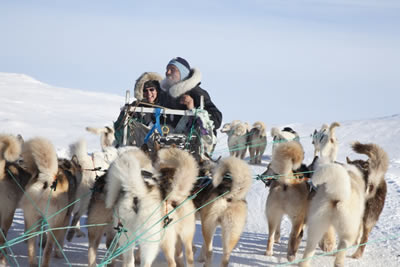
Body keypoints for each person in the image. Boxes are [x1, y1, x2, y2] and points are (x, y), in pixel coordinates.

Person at [160, 57, 222, 135]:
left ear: (183, 73)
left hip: (193, 142)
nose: (168, 72)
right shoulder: (165, 94)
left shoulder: (196, 92)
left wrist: (192, 109)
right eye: (167, 69)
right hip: (169, 141)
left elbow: (217, 119)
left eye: (172, 69)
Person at [114, 72, 167, 146]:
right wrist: (125, 114)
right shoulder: (134, 107)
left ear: (157, 90)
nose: (148, 93)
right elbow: (118, 130)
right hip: (139, 146)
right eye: (145, 90)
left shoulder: (166, 106)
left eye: (152, 90)